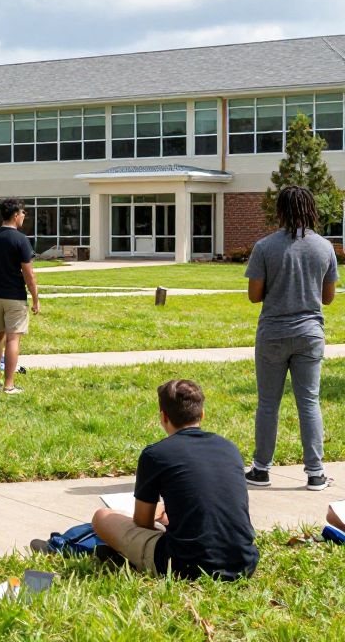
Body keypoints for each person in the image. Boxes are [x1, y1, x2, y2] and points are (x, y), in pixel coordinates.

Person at [90, 379, 259, 581]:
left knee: (102, 517)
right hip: (244, 563)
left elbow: (142, 522)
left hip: (184, 565)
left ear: (163, 417)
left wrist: (156, 516)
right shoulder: (229, 447)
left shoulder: (155, 454)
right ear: (202, 414)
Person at [244, 185, 338, 492]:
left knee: (268, 404)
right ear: (311, 209)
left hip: (272, 334)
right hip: (310, 334)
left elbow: (254, 296)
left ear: (280, 211)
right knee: (309, 402)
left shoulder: (264, 246)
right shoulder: (325, 248)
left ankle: (261, 470)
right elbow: (328, 299)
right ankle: (315, 474)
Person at [0, 199, 40, 394]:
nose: (24, 216)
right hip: (14, 295)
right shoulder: (21, 240)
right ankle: (9, 385)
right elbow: (28, 274)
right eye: (23, 213)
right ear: (15, 215)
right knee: (13, 339)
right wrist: (35, 298)